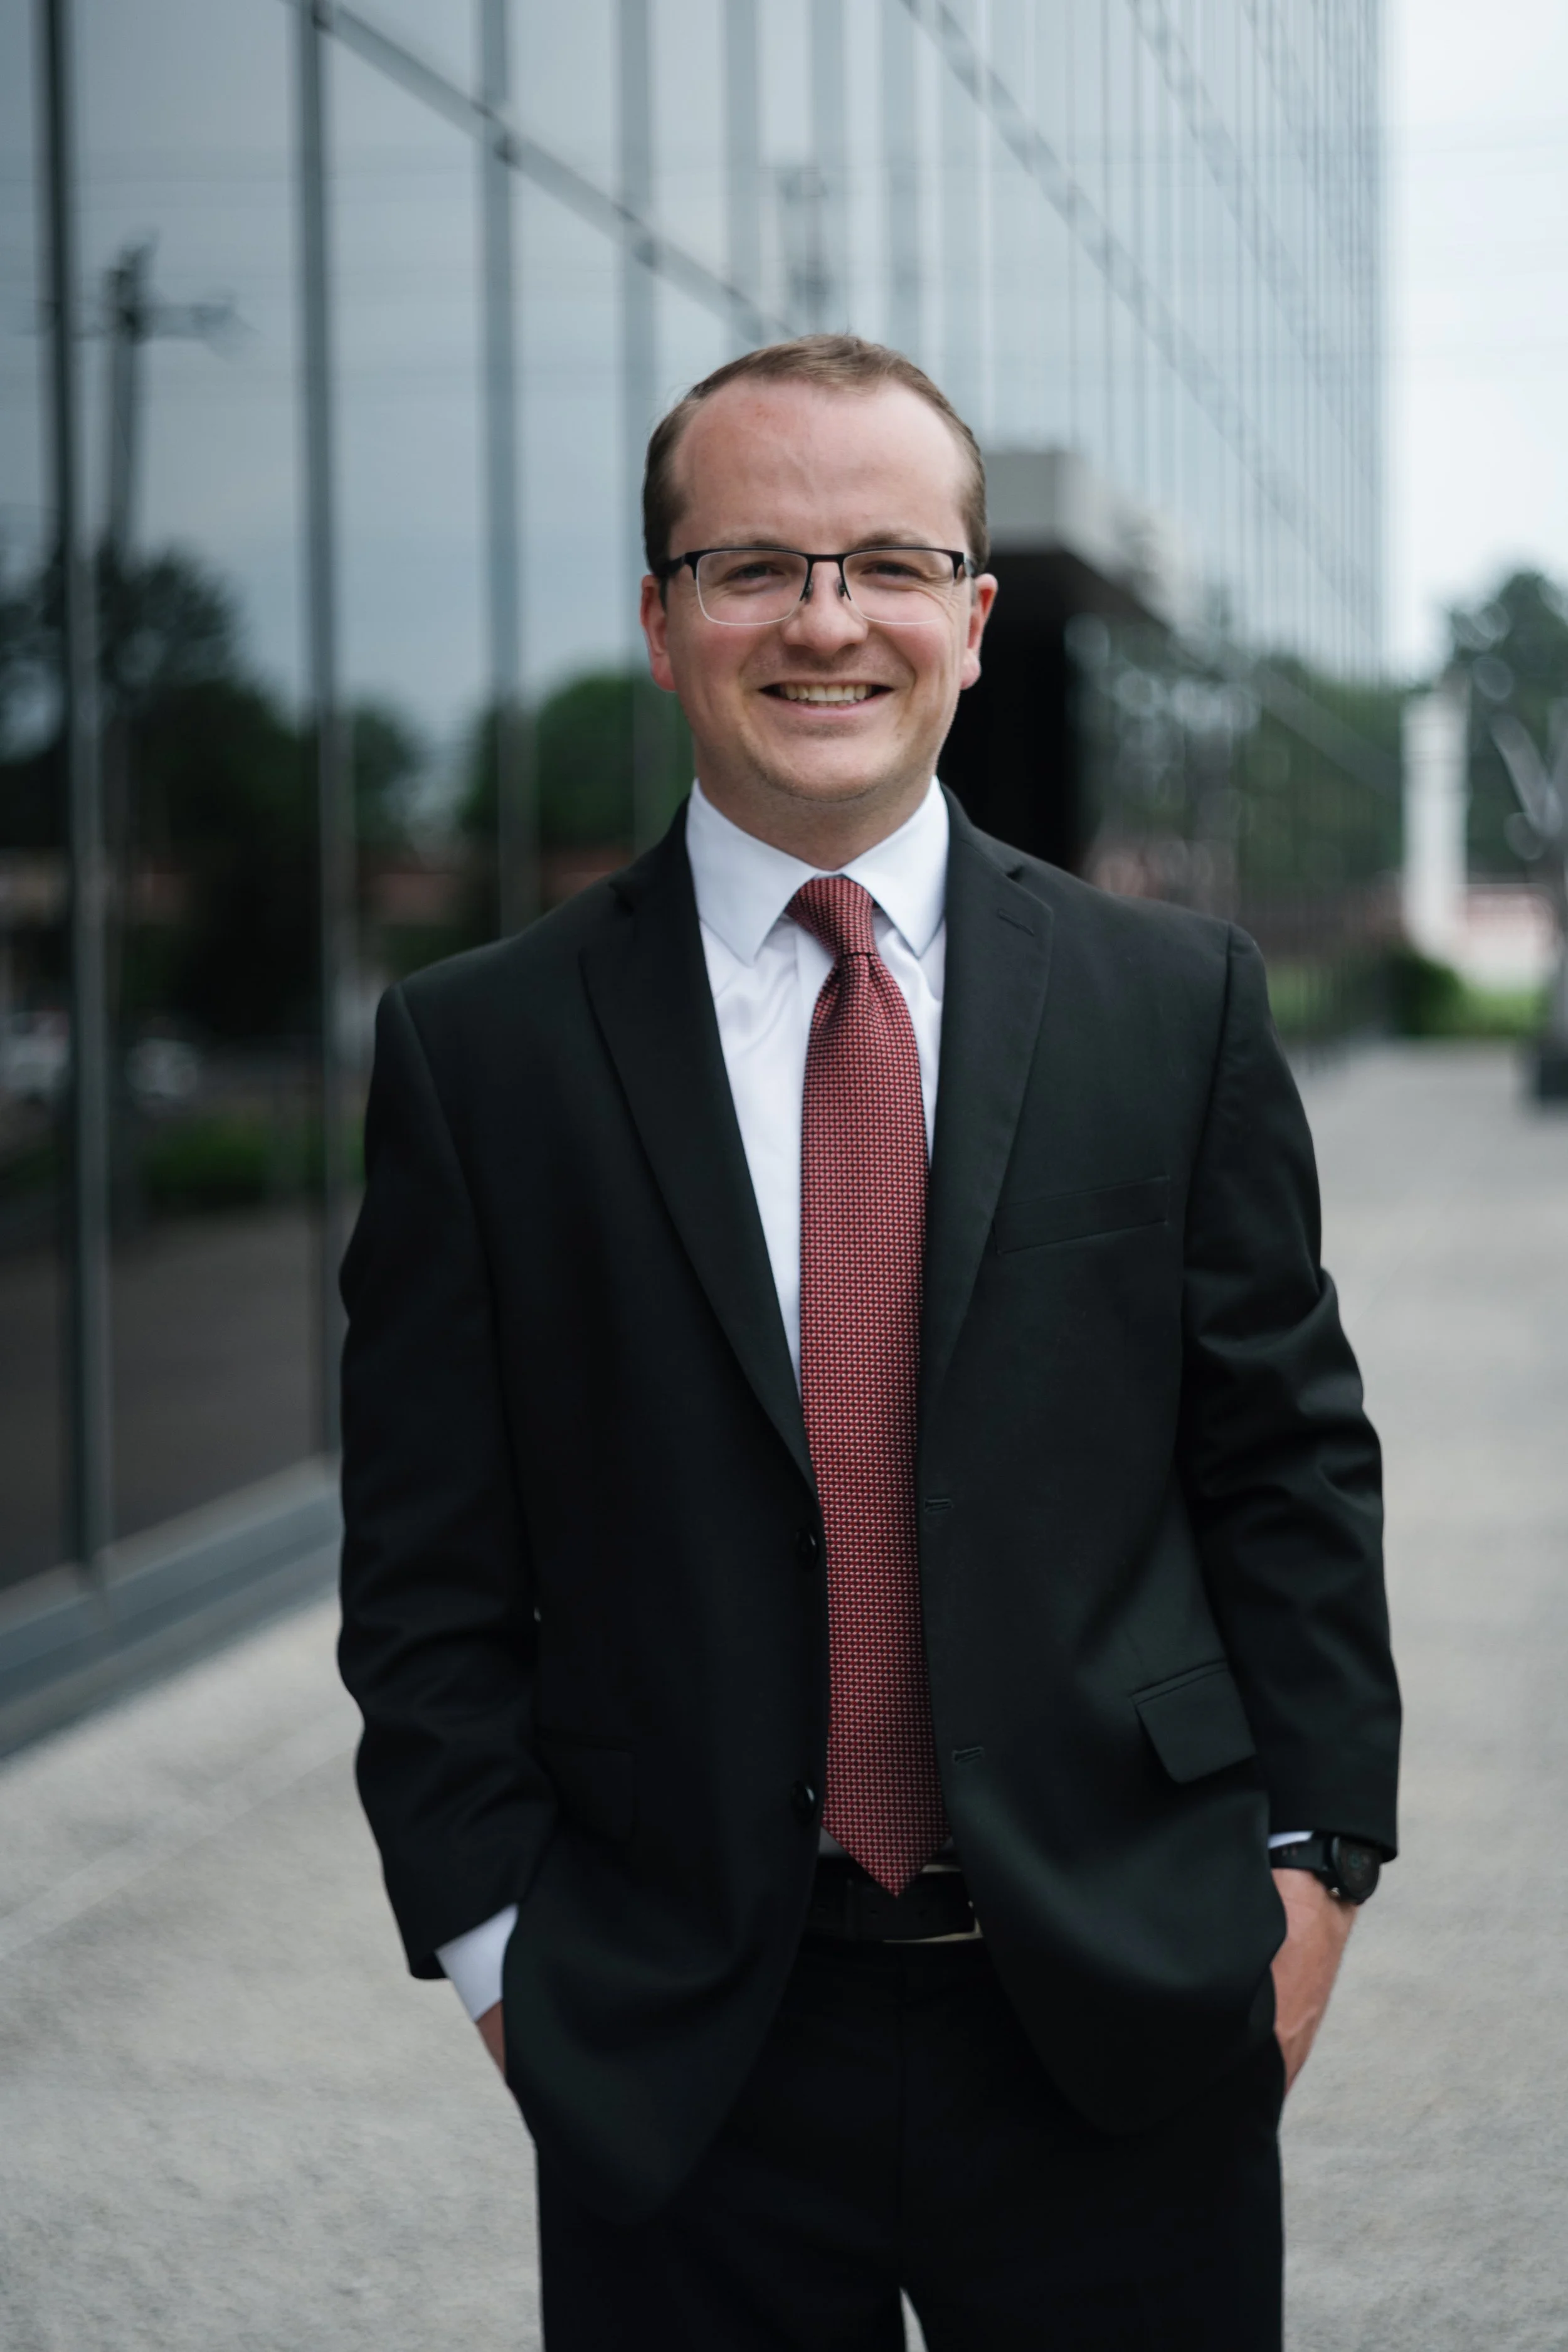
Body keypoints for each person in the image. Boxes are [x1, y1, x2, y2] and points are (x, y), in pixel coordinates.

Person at [338, 334, 1399, 2350]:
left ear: (975, 622)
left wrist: (1310, 1875)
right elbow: (424, 1574)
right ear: (660, 623)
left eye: (887, 564)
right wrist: (503, 1960)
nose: (825, 622)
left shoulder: (1174, 1008)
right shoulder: (478, 1056)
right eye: (753, 567)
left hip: (1120, 2005)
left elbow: (1286, 1471)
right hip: (685, 2048)